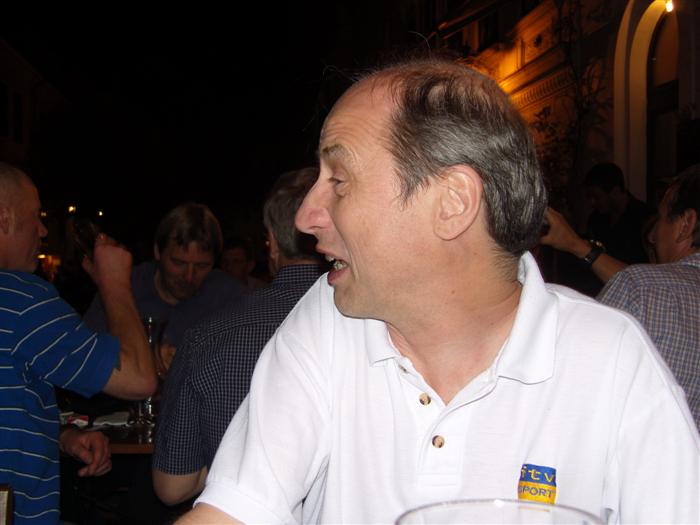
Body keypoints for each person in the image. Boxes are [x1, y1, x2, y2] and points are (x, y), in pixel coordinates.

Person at [177, 58, 699, 524]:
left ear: (451, 202)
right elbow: (237, 512)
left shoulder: (610, 358)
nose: (306, 216)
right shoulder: (329, 319)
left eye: (339, 180)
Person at [152, 167, 323, 506]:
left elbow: (172, 488)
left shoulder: (210, 336)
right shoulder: (383, 328)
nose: (189, 275)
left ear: (271, 242)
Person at [0, 162, 156, 524]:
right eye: (36, 216)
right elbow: (139, 379)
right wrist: (114, 283)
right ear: (4, 218)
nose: (43, 230)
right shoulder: (22, 299)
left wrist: (61, 435)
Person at [597, 165, 700, 429]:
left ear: (686, 224)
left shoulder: (640, 288)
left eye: (662, 219)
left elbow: (581, 388)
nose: (653, 236)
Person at [84, 202, 245, 369]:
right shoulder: (122, 287)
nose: (189, 276)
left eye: (202, 266)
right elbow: (87, 355)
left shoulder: (230, 298)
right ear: (157, 252)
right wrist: (145, 358)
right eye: (178, 263)